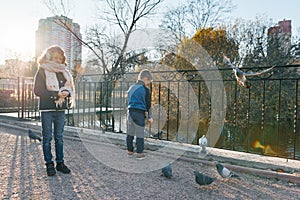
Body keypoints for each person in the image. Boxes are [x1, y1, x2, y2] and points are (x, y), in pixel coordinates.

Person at [33, 45, 75, 176]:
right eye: (55, 57)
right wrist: (56, 94)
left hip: (60, 108)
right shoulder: (42, 70)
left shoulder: (64, 72)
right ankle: (49, 164)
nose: (58, 60)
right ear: (49, 56)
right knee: (47, 137)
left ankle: (60, 163)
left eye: (60, 58)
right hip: (47, 108)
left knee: (59, 137)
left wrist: (66, 93)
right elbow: (37, 91)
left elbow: (68, 89)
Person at [126, 69, 153, 159]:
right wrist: (149, 116)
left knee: (130, 133)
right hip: (139, 114)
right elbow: (148, 105)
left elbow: (127, 101)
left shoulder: (131, 88)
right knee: (140, 134)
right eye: (148, 81)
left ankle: (130, 150)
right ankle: (139, 153)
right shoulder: (146, 90)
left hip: (130, 113)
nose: (148, 83)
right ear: (145, 78)